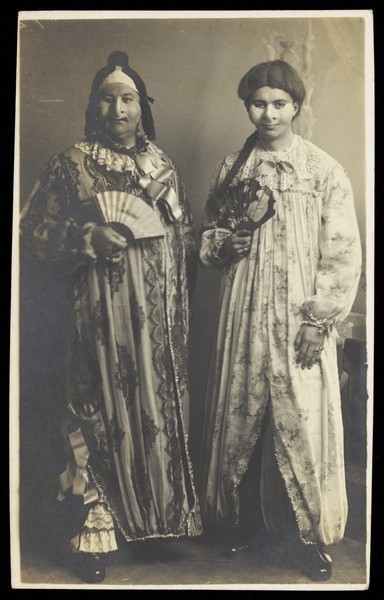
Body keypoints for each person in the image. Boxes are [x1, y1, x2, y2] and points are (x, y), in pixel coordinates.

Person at [20, 50, 202, 583]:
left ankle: (151, 525)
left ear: (142, 106)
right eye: (107, 98)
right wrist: (86, 237)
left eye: (127, 99)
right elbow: (31, 232)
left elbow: (183, 238)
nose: (118, 109)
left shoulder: (163, 167)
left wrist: (176, 311)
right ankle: (95, 532)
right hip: (95, 319)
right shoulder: (69, 164)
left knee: (153, 411)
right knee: (99, 410)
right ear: (93, 105)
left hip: (157, 321)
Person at [198, 59, 361, 581]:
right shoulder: (233, 168)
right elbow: (207, 239)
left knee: (299, 418)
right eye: (258, 104)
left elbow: (342, 251)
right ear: (247, 105)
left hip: (298, 317)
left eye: (279, 104)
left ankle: (304, 539)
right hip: (244, 311)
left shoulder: (322, 170)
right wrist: (227, 243)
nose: (268, 114)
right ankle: (241, 528)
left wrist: (320, 318)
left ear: (296, 106)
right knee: (245, 409)